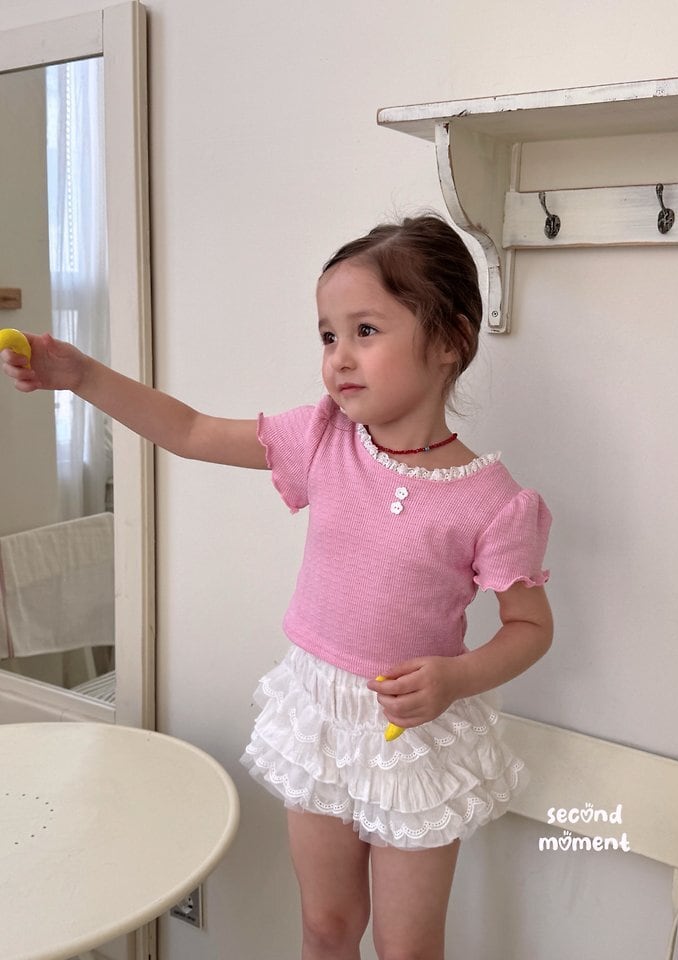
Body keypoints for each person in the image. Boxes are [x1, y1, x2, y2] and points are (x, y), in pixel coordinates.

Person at [2, 214, 553, 960]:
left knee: (408, 948)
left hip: (412, 734)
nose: (339, 358)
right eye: (328, 336)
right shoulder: (323, 437)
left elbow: (530, 628)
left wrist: (456, 678)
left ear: (451, 340)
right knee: (326, 926)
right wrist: (82, 377)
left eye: (365, 331)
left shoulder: (493, 502)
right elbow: (190, 430)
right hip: (319, 715)